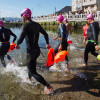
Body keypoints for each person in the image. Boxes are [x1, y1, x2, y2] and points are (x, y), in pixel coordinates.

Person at [15, 8, 53, 94]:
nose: (21, 18)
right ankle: (29, 79)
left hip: (31, 52)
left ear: (24, 16)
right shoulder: (37, 25)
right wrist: (47, 43)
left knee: (33, 72)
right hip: (37, 51)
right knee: (30, 66)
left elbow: (20, 39)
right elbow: (46, 34)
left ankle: (48, 86)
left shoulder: (25, 26)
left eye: (21, 16)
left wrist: (17, 44)